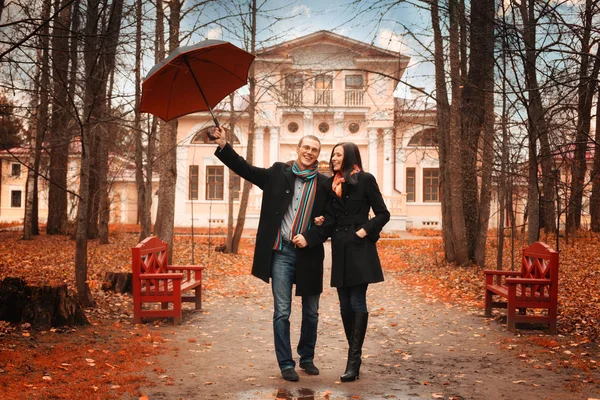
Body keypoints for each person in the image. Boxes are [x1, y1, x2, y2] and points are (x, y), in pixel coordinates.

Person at [211, 126, 328, 382]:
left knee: (311, 311)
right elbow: (246, 169)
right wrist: (223, 145)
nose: (309, 152)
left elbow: (330, 221)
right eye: (306, 147)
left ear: (319, 155)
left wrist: (310, 236)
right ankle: (286, 363)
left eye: (315, 150)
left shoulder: (325, 183)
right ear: (297, 150)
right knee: (282, 311)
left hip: (309, 254)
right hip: (282, 252)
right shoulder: (278, 173)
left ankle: (306, 358)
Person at [299, 142, 390, 382]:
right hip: (339, 247)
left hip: (360, 247)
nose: (333, 158)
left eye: (338, 154)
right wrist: (321, 221)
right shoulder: (331, 184)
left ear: (349, 156)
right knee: (343, 305)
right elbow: (331, 217)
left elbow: (383, 214)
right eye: (333, 155)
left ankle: (353, 360)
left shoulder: (365, 179)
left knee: (357, 300)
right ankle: (355, 355)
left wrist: (364, 231)